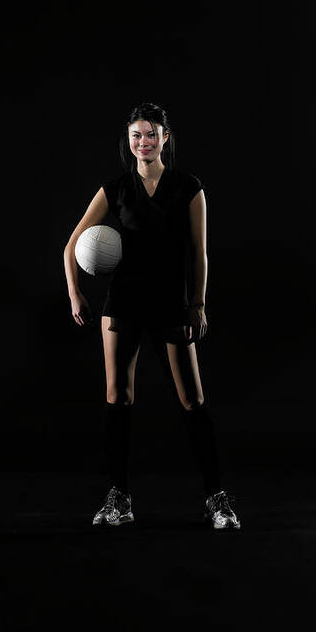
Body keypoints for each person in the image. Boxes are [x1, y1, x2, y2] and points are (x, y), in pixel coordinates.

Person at [63, 102, 241, 530]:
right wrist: (76, 294)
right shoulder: (115, 189)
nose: (143, 142)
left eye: (151, 134)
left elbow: (198, 252)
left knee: (192, 399)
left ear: (165, 138)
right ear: (129, 142)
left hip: (171, 302)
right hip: (122, 302)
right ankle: (119, 498)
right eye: (136, 135)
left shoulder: (188, 187)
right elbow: (71, 247)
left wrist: (197, 303)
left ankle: (216, 499)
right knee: (117, 397)